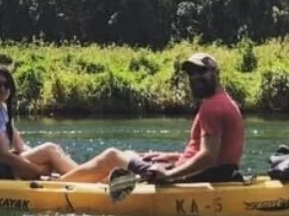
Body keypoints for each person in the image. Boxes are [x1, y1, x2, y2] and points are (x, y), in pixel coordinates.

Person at [59, 52, 245, 184]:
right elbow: (217, 155)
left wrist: (168, 175)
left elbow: (208, 157)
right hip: (210, 174)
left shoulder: (211, 107)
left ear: (216, 73)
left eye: (201, 72)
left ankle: (57, 187)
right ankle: (83, 184)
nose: (195, 77)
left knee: (112, 155)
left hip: (195, 177)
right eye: (191, 73)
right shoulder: (226, 102)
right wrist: (171, 157)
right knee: (131, 155)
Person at [0, 65, 77, 180]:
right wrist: (39, 171)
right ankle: (85, 179)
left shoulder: (3, 109)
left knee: (53, 150)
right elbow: (4, 156)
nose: (3, 88)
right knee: (49, 151)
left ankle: (83, 177)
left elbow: (20, 146)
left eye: (7, 85)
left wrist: (44, 162)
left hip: (5, 165)